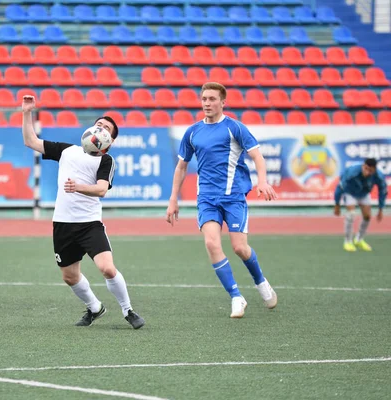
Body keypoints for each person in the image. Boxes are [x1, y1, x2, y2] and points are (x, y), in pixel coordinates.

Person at [21, 95, 145, 329]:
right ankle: (95, 308)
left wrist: (77, 187)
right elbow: (31, 141)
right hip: (63, 224)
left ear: (110, 140)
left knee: (107, 268)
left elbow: (101, 190)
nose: (101, 128)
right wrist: (27, 112)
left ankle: (128, 310)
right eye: (99, 124)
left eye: (106, 128)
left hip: (89, 224)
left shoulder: (106, 161)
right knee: (69, 276)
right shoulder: (68, 151)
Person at [166, 82, 277, 318]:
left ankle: (260, 281)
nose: (207, 103)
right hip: (206, 198)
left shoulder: (234, 128)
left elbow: (257, 156)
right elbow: (181, 167)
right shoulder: (193, 131)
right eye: (204, 98)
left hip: (234, 197)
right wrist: (173, 199)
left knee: (239, 248)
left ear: (222, 102)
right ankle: (236, 296)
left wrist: (263, 182)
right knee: (211, 244)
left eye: (212, 99)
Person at [333, 158, 387, 252]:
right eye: (366, 169)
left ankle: (359, 239)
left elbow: (382, 191)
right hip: (350, 192)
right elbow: (339, 188)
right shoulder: (352, 173)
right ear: (363, 166)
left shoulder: (378, 176)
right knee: (351, 214)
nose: (367, 172)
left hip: (364, 194)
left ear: (374, 169)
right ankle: (348, 241)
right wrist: (337, 205)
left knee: (367, 216)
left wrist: (380, 209)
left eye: (370, 170)